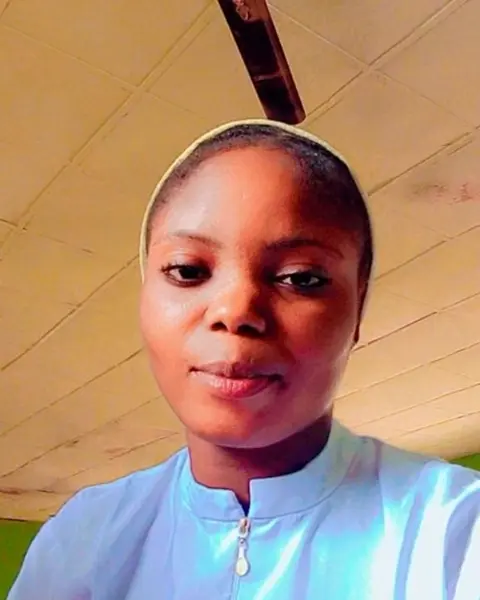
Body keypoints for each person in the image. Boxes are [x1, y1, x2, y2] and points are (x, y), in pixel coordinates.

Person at [8, 120, 480, 600]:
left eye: (300, 278)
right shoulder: (82, 542)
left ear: (357, 308)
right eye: (187, 270)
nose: (236, 311)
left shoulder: (456, 532)